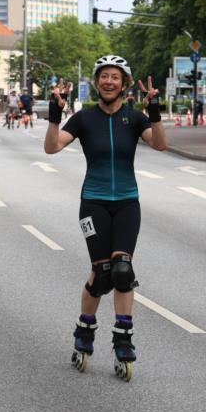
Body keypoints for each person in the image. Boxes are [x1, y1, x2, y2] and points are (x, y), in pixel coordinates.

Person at [44, 54, 166, 382]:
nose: (108, 81)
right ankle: (84, 332)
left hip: (127, 203)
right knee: (102, 274)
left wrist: (153, 110)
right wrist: (55, 112)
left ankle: (123, 340)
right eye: (103, 77)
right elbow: (52, 148)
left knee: (123, 271)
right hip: (93, 203)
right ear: (97, 83)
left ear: (124, 84)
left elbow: (161, 145)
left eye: (115, 77)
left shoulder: (135, 117)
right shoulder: (84, 119)